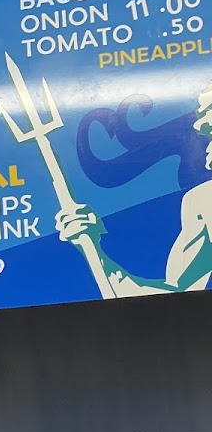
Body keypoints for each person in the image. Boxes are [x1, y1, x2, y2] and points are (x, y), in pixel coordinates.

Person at [57, 82, 212, 296]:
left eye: (209, 110)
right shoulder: (203, 201)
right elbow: (175, 296)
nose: (199, 125)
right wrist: (92, 248)